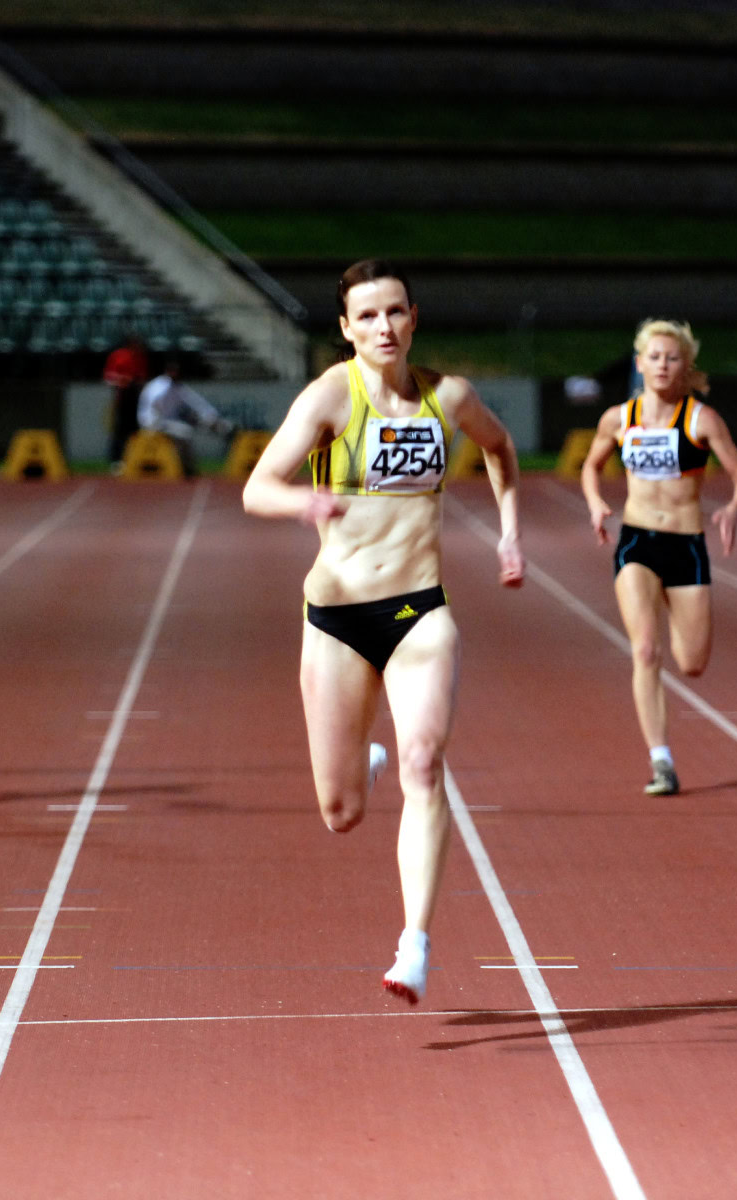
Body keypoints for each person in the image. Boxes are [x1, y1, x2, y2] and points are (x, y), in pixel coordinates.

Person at [242, 259, 525, 1005]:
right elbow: (256, 486)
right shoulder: (331, 395)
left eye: (394, 312)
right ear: (345, 329)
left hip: (418, 612)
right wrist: (304, 504)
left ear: (414, 316)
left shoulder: (447, 397)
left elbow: (499, 448)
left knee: (425, 765)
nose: (383, 328)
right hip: (336, 617)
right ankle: (358, 763)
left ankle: (414, 946)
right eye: (366, 317)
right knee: (339, 814)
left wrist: (508, 535)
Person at [580, 319, 737, 796]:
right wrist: (595, 502)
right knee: (645, 650)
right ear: (639, 364)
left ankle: (682, 638)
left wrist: (734, 508)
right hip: (636, 541)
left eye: (671, 357)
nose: (661, 365)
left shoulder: (700, 419)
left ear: (684, 366)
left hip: (686, 545)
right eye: (653, 356)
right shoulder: (619, 418)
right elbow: (591, 467)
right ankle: (662, 762)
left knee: (692, 662)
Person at [137, 355, 232, 476]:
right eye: (173, 371)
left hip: (167, 421)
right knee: (184, 432)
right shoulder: (160, 386)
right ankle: (187, 468)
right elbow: (154, 406)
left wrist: (210, 415)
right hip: (152, 422)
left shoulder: (177, 386)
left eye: (177, 371)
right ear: (168, 372)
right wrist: (159, 422)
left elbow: (195, 401)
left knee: (193, 425)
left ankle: (188, 465)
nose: (175, 374)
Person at [103, 333, 150, 465]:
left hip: (136, 397)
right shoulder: (118, 356)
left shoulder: (140, 357)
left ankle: (136, 458)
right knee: (120, 430)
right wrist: (123, 380)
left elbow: (142, 377)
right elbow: (109, 377)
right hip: (122, 396)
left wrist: (138, 383)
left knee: (136, 429)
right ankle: (116, 459)